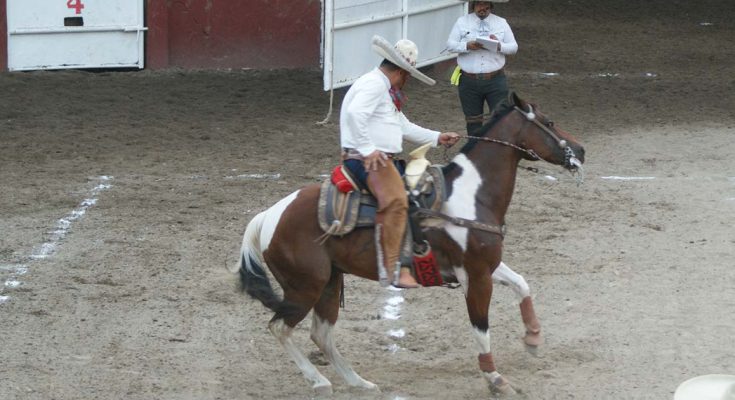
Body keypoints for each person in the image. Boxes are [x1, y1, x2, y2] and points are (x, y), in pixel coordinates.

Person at [340, 35, 460, 288]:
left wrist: (438, 137)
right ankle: (393, 268)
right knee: (396, 201)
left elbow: (403, 126)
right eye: (407, 76)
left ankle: (408, 261)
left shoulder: (382, 89)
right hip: (368, 161)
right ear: (401, 73)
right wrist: (368, 150)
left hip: (377, 159)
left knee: (413, 195)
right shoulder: (374, 85)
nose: (407, 82)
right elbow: (354, 114)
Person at [447, 0, 518, 135]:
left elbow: (513, 47)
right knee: (473, 121)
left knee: (500, 119)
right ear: (474, 5)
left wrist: (498, 45)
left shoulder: (501, 22)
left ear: (491, 5)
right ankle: (474, 152)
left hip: (495, 80)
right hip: (469, 80)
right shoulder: (462, 22)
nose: (483, 8)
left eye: (486, 5)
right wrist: (467, 46)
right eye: (479, 4)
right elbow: (450, 45)